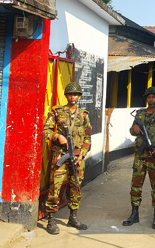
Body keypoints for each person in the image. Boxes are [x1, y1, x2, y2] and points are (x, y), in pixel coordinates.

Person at [42, 82, 91, 234]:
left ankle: (73, 217)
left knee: (75, 186)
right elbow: (45, 131)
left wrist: (82, 153)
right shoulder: (57, 111)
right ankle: (51, 219)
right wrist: (58, 136)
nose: (73, 96)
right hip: (60, 156)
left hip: (77, 158)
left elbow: (87, 138)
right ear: (66, 95)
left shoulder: (84, 115)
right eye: (70, 94)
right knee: (55, 186)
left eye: (75, 94)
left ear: (79, 96)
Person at [122, 86, 155, 230]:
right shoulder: (139, 114)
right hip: (140, 156)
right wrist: (135, 129)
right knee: (136, 185)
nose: (151, 99)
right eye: (149, 97)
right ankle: (134, 214)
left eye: (154, 97)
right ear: (146, 98)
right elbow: (132, 131)